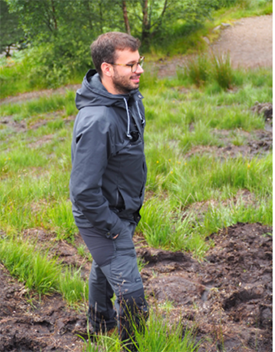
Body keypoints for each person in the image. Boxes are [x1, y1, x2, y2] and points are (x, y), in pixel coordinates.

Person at [69, 32, 148, 350]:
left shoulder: (130, 98)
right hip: (102, 218)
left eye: (139, 61)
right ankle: (136, 345)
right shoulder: (97, 121)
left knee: (103, 269)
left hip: (123, 208)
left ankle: (99, 324)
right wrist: (113, 228)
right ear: (107, 68)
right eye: (130, 64)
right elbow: (83, 191)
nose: (139, 70)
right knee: (134, 299)